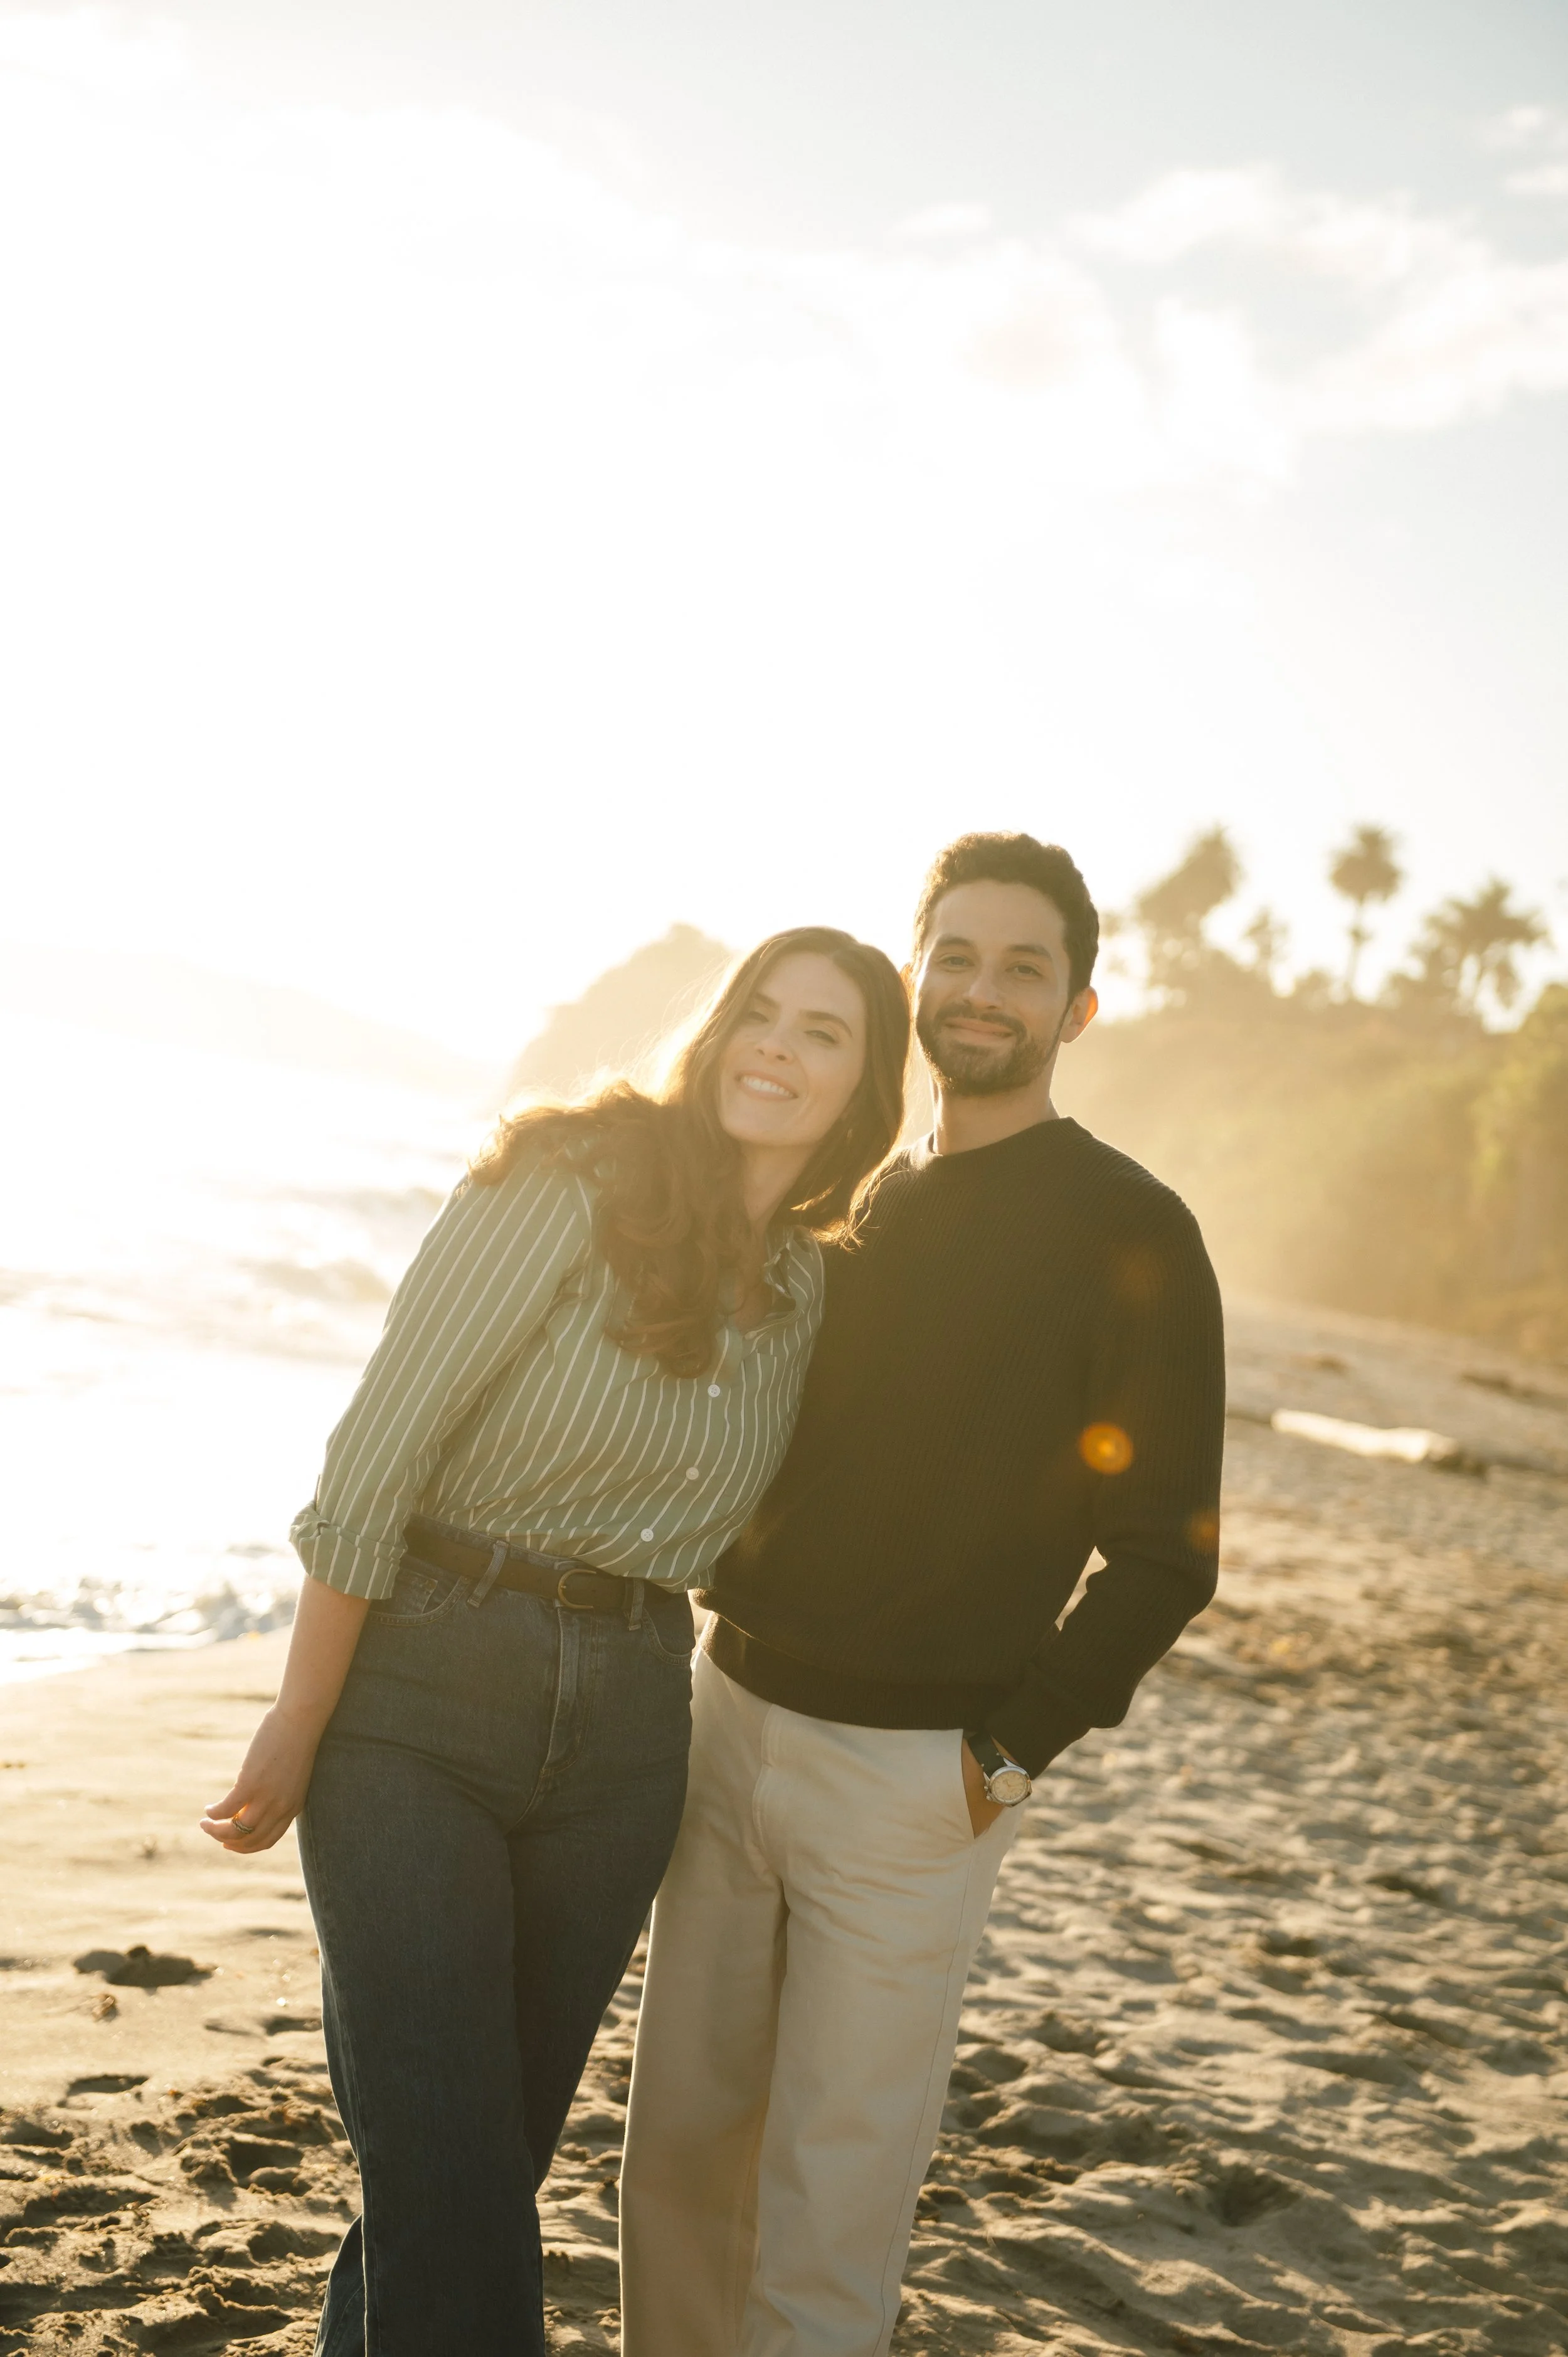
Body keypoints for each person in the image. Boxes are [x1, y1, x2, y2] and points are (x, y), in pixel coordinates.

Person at [198, 925, 910, 2357]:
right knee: (447, 2171)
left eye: (821, 1033)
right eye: (757, 1013)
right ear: (715, 1032)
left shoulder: (808, 1292)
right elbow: (372, 1462)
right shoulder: (568, 1177)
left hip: (631, 1732)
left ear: (865, 1089)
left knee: (469, 2170)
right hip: (421, 1698)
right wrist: (298, 1714)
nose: (775, 1045)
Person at [619, 834, 1227, 2357]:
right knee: (679, 2149)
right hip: (728, 1718)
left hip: (918, 1779)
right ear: (916, 976)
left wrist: (1008, 1751)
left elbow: (1167, 1547)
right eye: (954, 954)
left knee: (839, 2182)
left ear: (1076, 1008)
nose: (981, 989)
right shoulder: (849, 1204)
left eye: (1023, 966)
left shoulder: (1131, 1230)